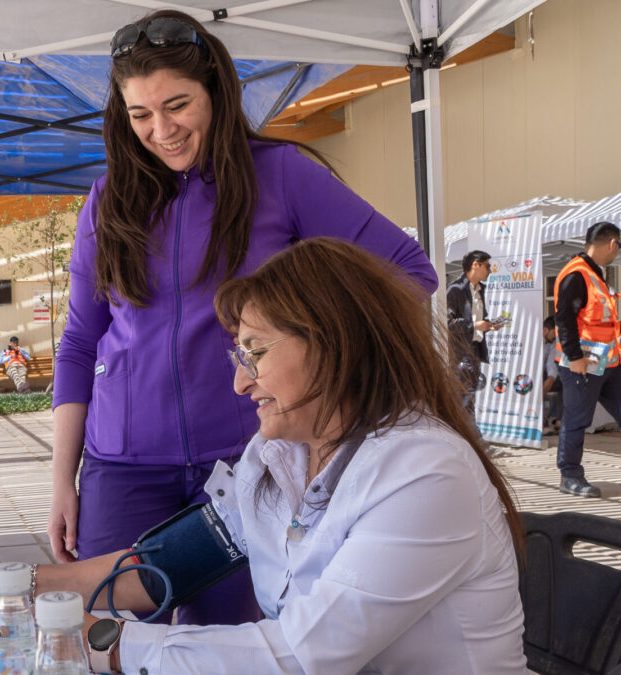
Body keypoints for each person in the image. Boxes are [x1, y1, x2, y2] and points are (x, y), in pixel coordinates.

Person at [49, 9, 438, 627]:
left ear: (216, 92)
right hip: (120, 468)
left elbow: (408, 272)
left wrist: (315, 350)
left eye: (177, 105)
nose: (161, 130)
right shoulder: (108, 198)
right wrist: (62, 479)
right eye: (140, 115)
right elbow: (78, 343)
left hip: (246, 463)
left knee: (236, 650)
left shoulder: (281, 176)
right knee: (105, 645)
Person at [35, 238, 525, 674]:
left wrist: (106, 645)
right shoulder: (278, 455)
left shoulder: (425, 473)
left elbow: (300, 657)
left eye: (256, 353)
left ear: (335, 344)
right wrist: (22, 588)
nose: (240, 381)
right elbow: (173, 564)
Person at [553, 221, 621, 498]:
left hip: (608, 363)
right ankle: (570, 476)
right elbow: (564, 318)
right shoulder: (577, 274)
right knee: (577, 420)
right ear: (611, 243)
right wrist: (574, 357)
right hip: (583, 364)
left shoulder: (597, 274)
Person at [446, 250, 502, 416]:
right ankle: (470, 437)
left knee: (468, 400)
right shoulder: (455, 290)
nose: (490, 270)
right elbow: (448, 323)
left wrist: (488, 325)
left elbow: (475, 320)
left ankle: (470, 436)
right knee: (463, 401)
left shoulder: (478, 290)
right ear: (475, 265)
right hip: (460, 353)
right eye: (487, 266)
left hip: (474, 352)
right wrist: (475, 325)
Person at [543, 315, 562, 431]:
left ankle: (560, 420)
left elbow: (552, 369)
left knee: (565, 382)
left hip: (545, 376)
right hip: (527, 375)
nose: (555, 336)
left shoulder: (554, 343)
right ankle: (541, 418)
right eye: (554, 333)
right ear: (545, 330)